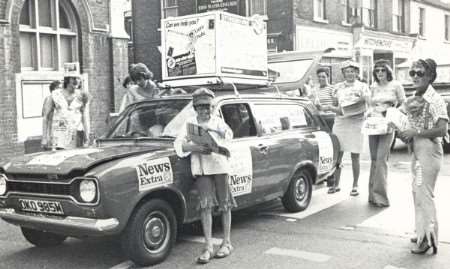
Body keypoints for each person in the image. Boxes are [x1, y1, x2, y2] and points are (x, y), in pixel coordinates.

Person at [174, 88, 236, 264]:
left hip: (219, 165)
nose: (205, 110)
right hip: (201, 168)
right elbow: (179, 144)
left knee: (225, 204)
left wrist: (217, 133)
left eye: (208, 107)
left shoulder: (218, 121)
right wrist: (195, 147)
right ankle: (208, 246)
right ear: (195, 108)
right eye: (201, 107)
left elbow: (229, 136)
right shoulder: (189, 123)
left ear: (212, 107)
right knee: (206, 206)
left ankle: (227, 242)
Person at [398, 58, 448, 255]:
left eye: (420, 73)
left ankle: (429, 238)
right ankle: (421, 231)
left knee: (424, 194)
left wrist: (415, 132)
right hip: (418, 150)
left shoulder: (435, 99)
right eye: (412, 73)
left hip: (429, 150)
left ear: (430, 77)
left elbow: (442, 129)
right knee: (416, 192)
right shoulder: (415, 95)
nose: (415, 77)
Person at [324, 60, 370, 195]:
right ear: (343, 73)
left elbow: (368, 104)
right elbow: (335, 105)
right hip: (341, 123)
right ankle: (335, 184)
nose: (350, 74)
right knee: (338, 154)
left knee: (355, 155)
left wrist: (361, 107)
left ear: (356, 73)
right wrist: (328, 107)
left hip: (357, 122)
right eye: (347, 71)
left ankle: (355, 185)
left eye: (352, 71)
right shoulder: (337, 88)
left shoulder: (363, 87)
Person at [367, 59, 406, 207]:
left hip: (388, 124)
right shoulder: (373, 86)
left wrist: (393, 111)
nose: (380, 73)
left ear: (388, 71)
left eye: (383, 70)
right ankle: (372, 195)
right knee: (374, 159)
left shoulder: (396, 85)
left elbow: (404, 103)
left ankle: (381, 197)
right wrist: (369, 113)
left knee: (382, 158)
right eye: (377, 71)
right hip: (374, 124)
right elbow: (370, 105)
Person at [42, 72, 90, 149]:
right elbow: (46, 117)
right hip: (59, 134)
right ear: (67, 80)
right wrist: (44, 138)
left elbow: (84, 118)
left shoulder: (82, 96)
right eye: (73, 78)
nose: (76, 81)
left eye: (78, 78)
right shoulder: (55, 95)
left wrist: (87, 136)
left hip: (76, 135)